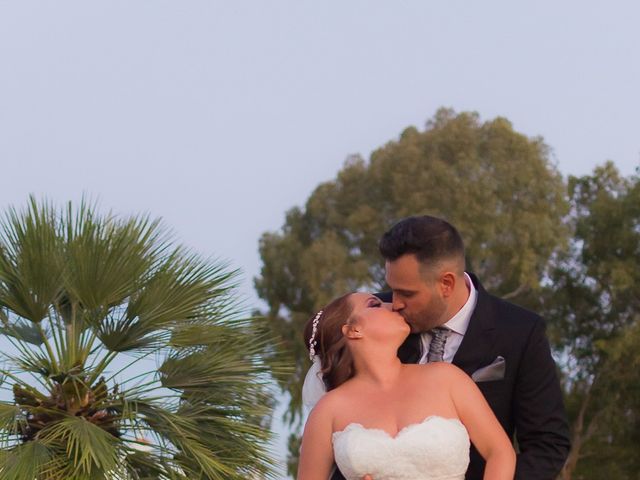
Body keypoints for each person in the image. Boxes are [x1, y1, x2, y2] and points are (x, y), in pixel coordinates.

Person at [302, 215, 571, 479]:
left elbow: (546, 446)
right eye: (391, 289)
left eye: (407, 294)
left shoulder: (519, 331)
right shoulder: (382, 320)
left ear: (446, 284)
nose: (395, 303)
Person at [297, 292, 516, 480]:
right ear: (353, 331)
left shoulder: (446, 378)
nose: (394, 305)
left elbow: (500, 452)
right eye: (374, 304)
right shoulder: (328, 410)